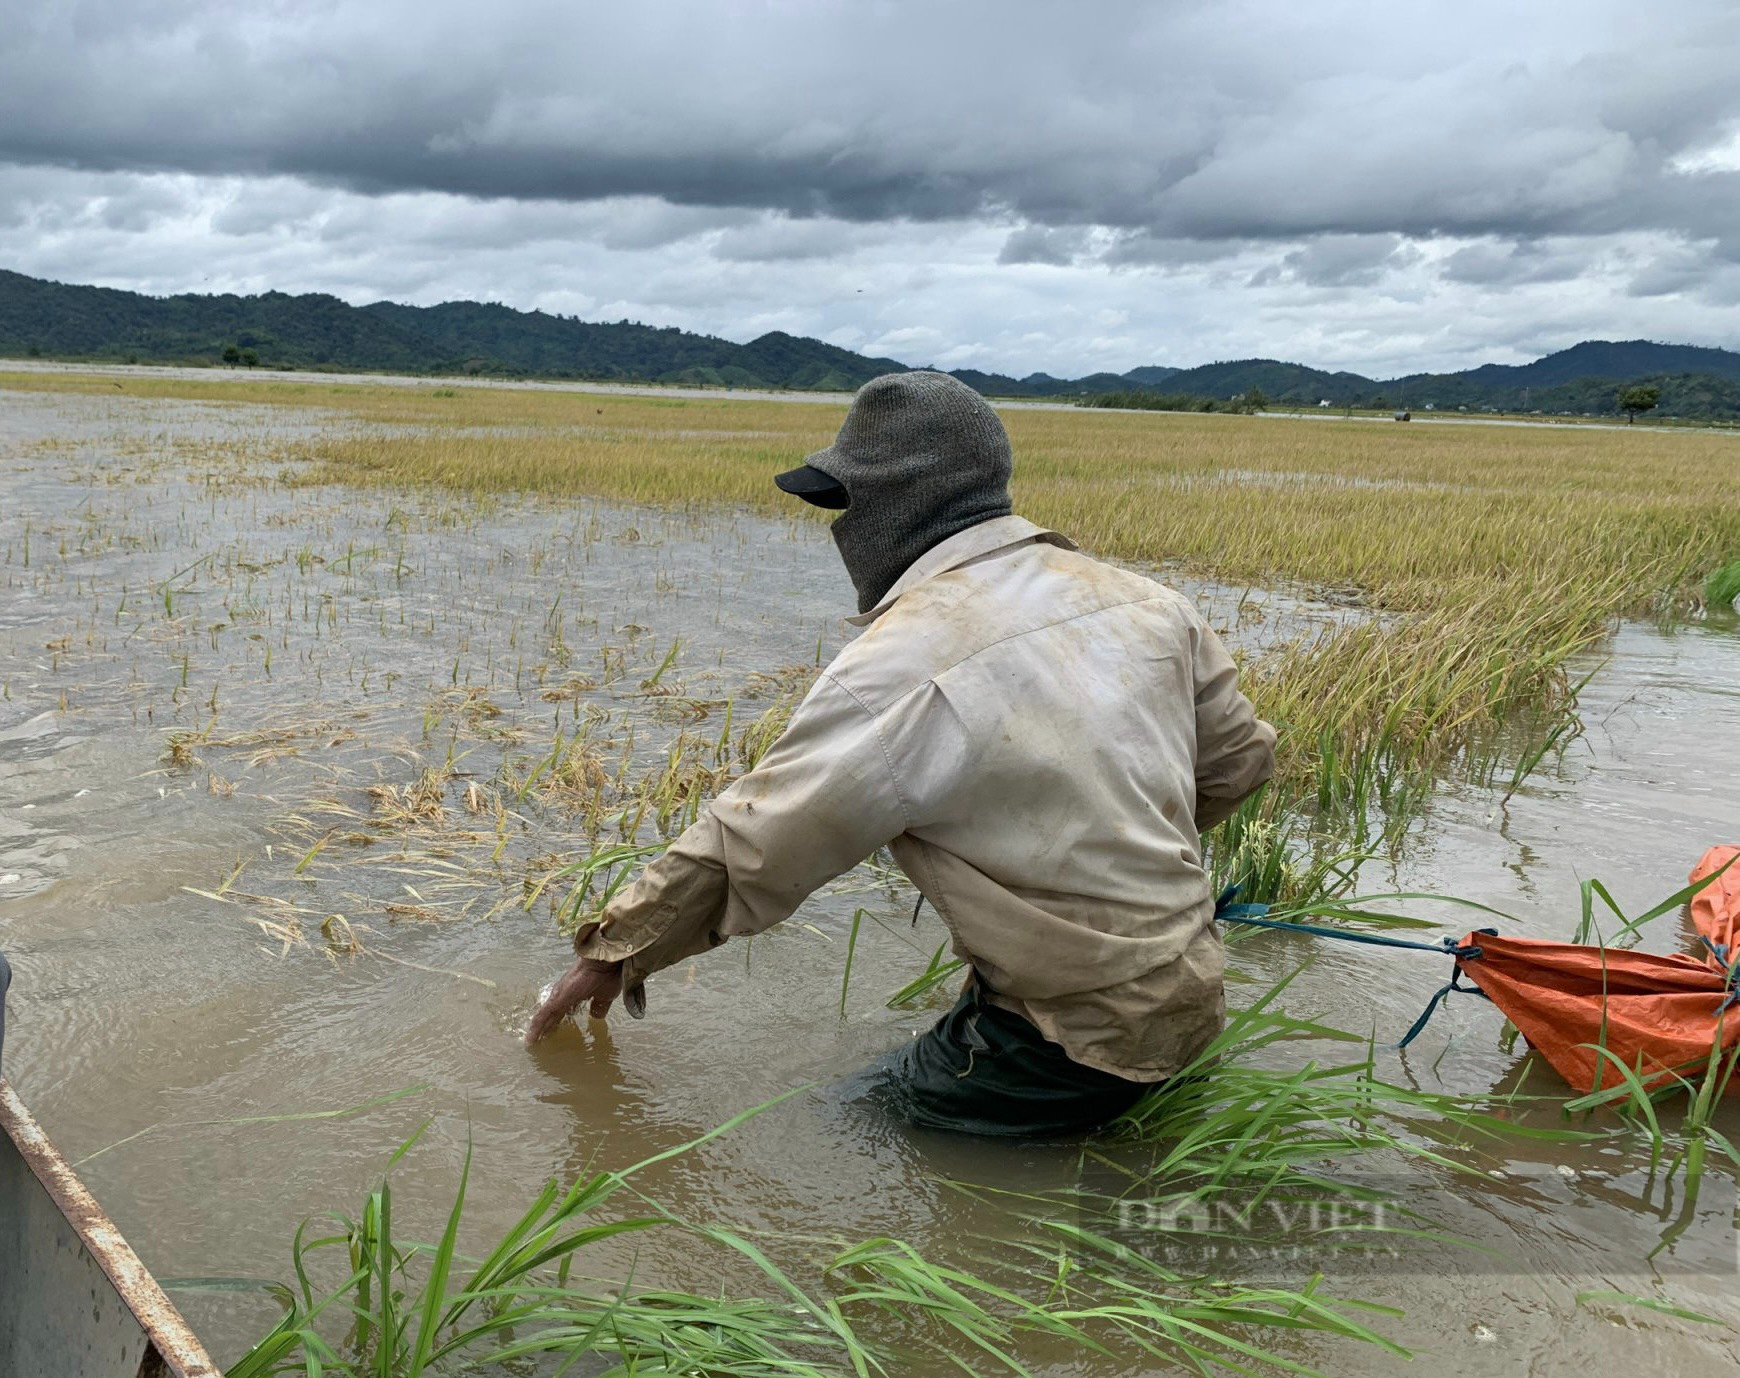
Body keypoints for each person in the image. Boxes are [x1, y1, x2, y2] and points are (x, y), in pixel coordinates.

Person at [526, 371, 1276, 1137]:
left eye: (845, 505)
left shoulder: (906, 661)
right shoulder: (1149, 603)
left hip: (1070, 1043)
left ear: (894, 503)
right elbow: (1239, 761)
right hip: (1195, 998)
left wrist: (612, 952)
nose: (840, 528)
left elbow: (756, 841)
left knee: (838, 1136)